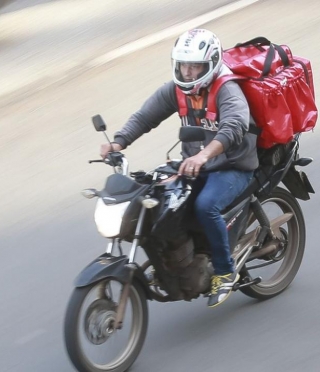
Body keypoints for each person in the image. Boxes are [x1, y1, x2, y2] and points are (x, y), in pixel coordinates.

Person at [100, 28, 259, 307]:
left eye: (195, 65)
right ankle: (175, 261)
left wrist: (204, 156)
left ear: (210, 65)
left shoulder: (227, 89)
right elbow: (146, 116)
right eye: (183, 65)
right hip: (193, 163)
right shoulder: (177, 90)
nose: (187, 72)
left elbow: (234, 127)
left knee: (205, 205)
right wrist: (119, 142)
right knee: (158, 200)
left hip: (232, 165)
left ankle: (224, 271)